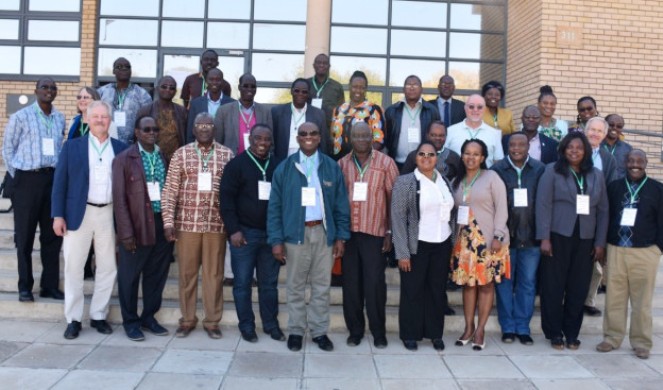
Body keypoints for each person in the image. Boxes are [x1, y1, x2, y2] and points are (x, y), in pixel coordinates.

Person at [267, 122, 350, 352]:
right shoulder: (285, 168)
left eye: (313, 133)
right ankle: (295, 330)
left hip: (324, 235)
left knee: (321, 286)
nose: (308, 137)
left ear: (320, 137)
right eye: (303, 134)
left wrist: (341, 236)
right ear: (297, 137)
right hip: (295, 235)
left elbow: (341, 205)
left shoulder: (331, 167)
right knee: (295, 286)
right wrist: (276, 241)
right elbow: (274, 208)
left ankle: (319, 332)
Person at [52, 101, 128, 339]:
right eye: (95, 116)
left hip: (108, 213)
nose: (99, 120)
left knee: (107, 267)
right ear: (86, 119)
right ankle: (73, 319)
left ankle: (98, 315)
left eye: (104, 117)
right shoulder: (72, 147)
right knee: (74, 267)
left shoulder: (122, 148)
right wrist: (57, 215)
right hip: (79, 213)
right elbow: (60, 184)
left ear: (110, 120)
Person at [161, 112, 234, 339]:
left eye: (208, 125)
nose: (204, 129)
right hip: (187, 224)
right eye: (200, 125)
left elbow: (232, 193)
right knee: (187, 274)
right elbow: (170, 190)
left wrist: (232, 223)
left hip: (216, 225)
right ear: (193, 130)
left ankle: (212, 321)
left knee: (214, 274)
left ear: (215, 129)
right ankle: (187, 320)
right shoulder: (181, 154)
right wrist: (168, 221)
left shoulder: (226, 154)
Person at [536, 132, 609, 350]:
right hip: (557, 237)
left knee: (578, 289)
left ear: (586, 151)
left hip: (586, 240)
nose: (574, 151)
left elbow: (604, 211)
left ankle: (571, 333)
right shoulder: (552, 171)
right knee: (553, 287)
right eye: (570, 147)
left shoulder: (596, 174)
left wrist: (600, 242)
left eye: (579, 147)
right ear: (563, 150)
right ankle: (554, 332)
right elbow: (543, 205)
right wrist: (544, 238)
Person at [219, 123, 285, 343]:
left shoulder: (278, 165)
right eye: (258, 139)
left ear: (271, 142)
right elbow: (226, 201)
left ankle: (270, 324)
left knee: (269, 285)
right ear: (250, 140)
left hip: (271, 235)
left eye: (267, 139)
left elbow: (285, 201)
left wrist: (280, 235)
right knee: (243, 283)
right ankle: (246, 326)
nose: (262, 143)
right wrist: (233, 230)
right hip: (244, 235)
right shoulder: (236, 165)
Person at [596, 150, 663, 360]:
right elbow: (605, 217)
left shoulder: (657, 189)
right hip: (616, 249)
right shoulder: (614, 187)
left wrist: (657, 249)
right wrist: (604, 246)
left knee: (642, 301)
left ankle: (641, 342)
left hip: (645, 251)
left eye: (640, 161)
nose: (635, 165)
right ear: (625, 163)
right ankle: (612, 337)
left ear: (646, 163)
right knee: (614, 297)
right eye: (631, 161)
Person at [2, 77, 65, 303]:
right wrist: (19, 175)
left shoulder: (59, 118)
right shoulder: (21, 116)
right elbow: (7, 149)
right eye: (45, 87)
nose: (49, 91)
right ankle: (25, 287)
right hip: (27, 181)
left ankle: (49, 286)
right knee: (25, 237)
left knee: (52, 237)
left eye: (53, 88)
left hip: (52, 180)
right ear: (35, 90)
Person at [112, 116, 173, 341]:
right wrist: (125, 232)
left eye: (155, 129)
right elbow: (119, 199)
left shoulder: (163, 156)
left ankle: (149, 317)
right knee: (129, 276)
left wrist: (169, 224)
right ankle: (130, 321)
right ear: (136, 132)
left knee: (156, 275)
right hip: (136, 225)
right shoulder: (124, 159)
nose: (151, 133)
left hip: (160, 223)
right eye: (146, 129)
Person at [338, 122, 398, 349]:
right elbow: (336, 201)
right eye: (357, 135)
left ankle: (378, 331)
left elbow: (395, 199)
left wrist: (391, 231)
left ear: (372, 137)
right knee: (351, 285)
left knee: (375, 285)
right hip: (349, 234)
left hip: (375, 232)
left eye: (366, 135)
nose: (362, 139)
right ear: (349, 138)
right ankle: (355, 331)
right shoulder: (341, 164)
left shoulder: (386, 163)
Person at [391, 142, 455, 351]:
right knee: (413, 290)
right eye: (421, 154)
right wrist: (402, 253)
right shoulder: (406, 182)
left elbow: (451, 212)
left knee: (436, 291)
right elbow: (398, 219)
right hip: (416, 246)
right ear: (415, 157)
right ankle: (410, 334)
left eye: (431, 154)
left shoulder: (444, 180)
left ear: (437, 158)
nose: (426, 158)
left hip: (442, 243)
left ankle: (435, 334)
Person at [451, 139, 510, 351]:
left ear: (483, 158)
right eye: (467, 153)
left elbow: (502, 208)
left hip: (489, 241)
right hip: (464, 242)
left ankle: (480, 330)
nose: (471, 157)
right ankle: (468, 328)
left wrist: (498, 235)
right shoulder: (457, 181)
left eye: (476, 154)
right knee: (468, 285)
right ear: (462, 155)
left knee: (486, 285)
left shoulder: (492, 177)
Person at [491, 132, 545, 345]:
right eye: (512, 145)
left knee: (528, 284)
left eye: (521, 144)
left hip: (532, 237)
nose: (516, 148)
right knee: (504, 283)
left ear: (528, 147)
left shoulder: (540, 169)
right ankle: (508, 327)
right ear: (507, 147)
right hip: (507, 237)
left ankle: (523, 327)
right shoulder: (497, 170)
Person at [583, 116, 617, 317]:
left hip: (596, 216)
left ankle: (589, 300)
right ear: (585, 130)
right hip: (572, 215)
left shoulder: (608, 159)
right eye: (591, 129)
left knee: (596, 263)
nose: (594, 134)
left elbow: (611, 188)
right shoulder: (573, 150)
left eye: (599, 131)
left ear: (604, 136)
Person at [384, 75, 440, 169]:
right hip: (396, 163)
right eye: (408, 85)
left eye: (415, 85)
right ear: (403, 89)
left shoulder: (431, 111)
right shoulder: (392, 111)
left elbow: (436, 137)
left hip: (423, 163)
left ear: (421, 89)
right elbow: (387, 137)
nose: (412, 88)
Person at [330, 70, 384, 160]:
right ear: (349, 87)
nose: (358, 90)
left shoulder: (373, 110)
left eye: (362, 87)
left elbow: (379, 141)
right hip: (337, 162)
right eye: (355, 87)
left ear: (366, 89)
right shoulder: (338, 110)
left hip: (361, 163)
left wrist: (363, 158)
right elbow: (332, 136)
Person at [215, 73, 273, 155]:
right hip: (231, 161)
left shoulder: (265, 112)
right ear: (239, 87)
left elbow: (270, 142)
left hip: (258, 162)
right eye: (245, 86)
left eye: (253, 87)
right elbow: (217, 142)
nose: (249, 89)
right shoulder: (224, 111)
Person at [97, 57, 152, 144]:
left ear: (131, 71)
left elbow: (147, 120)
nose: (124, 69)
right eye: (119, 67)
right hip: (105, 142)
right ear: (113, 71)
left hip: (131, 145)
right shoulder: (102, 92)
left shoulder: (142, 94)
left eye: (127, 67)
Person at [271, 78, 329, 160]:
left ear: (308, 94)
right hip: (283, 162)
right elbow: (272, 140)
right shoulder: (277, 112)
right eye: (297, 91)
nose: (300, 94)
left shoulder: (318, 114)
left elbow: (323, 144)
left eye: (304, 92)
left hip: (309, 162)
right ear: (291, 91)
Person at [136, 76, 187, 162]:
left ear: (175, 92)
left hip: (176, 160)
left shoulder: (182, 111)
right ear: (157, 88)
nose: (168, 90)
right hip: (151, 158)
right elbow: (137, 135)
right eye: (164, 87)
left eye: (172, 88)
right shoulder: (145, 110)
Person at [445, 95, 503, 167]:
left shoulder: (495, 134)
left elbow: (498, 162)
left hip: (486, 177)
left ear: (484, 109)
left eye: (480, 107)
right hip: (457, 177)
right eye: (471, 107)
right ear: (465, 108)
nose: (475, 110)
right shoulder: (450, 131)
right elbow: (443, 159)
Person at [401, 121, 462, 188]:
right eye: (433, 135)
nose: (437, 138)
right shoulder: (413, 156)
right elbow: (403, 181)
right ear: (427, 135)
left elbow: (460, 181)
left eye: (441, 135)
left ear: (446, 136)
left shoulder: (454, 157)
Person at [186, 68, 235, 143]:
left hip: (224, 149)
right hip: (200, 150)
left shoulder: (232, 104)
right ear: (206, 81)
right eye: (211, 79)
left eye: (218, 80)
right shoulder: (195, 103)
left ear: (222, 82)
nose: (214, 82)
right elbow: (190, 132)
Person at [307, 53, 345, 128]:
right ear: (314, 65)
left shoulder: (337, 87)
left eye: (325, 63)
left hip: (329, 129)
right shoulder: (306, 84)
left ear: (329, 66)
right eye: (319, 63)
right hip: (308, 128)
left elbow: (341, 111)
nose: (321, 65)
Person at [601, 114, 632, 179]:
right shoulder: (596, 146)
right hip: (599, 186)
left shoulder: (628, 149)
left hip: (618, 187)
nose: (615, 128)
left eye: (619, 126)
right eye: (611, 125)